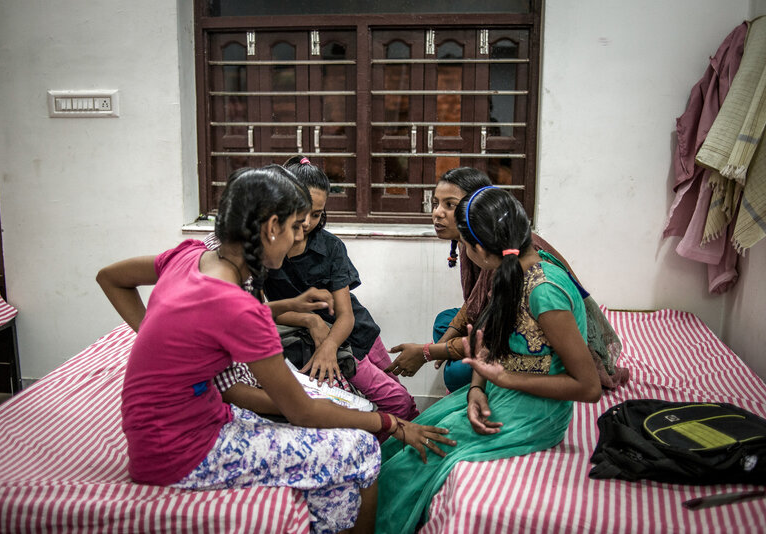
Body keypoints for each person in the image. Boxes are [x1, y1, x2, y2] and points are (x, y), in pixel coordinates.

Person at [96, 165, 454, 534]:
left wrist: (157, 336)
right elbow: (301, 411)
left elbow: (111, 278)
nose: (300, 238)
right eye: (296, 227)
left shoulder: (189, 256)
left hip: (160, 433)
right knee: (362, 447)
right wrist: (390, 423)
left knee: (337, 441)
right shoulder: (236, 305)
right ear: (271, 227)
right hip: (179, 454)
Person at [376, 186, 602, 534]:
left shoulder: (546, 291)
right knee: (398, 442)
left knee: (409, 467)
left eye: (466, 245)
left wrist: (505, 380)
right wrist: (477, 388)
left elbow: (588, 387)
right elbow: (490, 340)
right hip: (501, 394)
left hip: (535, 413)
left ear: (479, 249)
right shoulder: (510, 271)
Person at [210, 156, 419, 425]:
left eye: (317, 214)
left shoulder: (330, 247)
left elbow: (346, 315)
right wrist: (310, 320)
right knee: (391, 402)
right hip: (317, 341)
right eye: (302, 213)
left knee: (399, 397)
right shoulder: (263, 252)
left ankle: (404, 452)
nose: (306, 223)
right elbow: (260, 311)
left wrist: (329, 345)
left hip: (356, 332)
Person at [386, 167, 626, 391]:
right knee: (444, 323)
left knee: (456, 374)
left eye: (450, 205)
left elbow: (494, 328)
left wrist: (429, 352)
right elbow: (476, 304)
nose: (438, 213)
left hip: (541, 345)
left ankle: (467, 368)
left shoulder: (509, 258)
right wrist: (442, 347)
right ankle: (466, 362)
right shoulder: (475, 241)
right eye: (436, 203)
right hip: (505, 322)